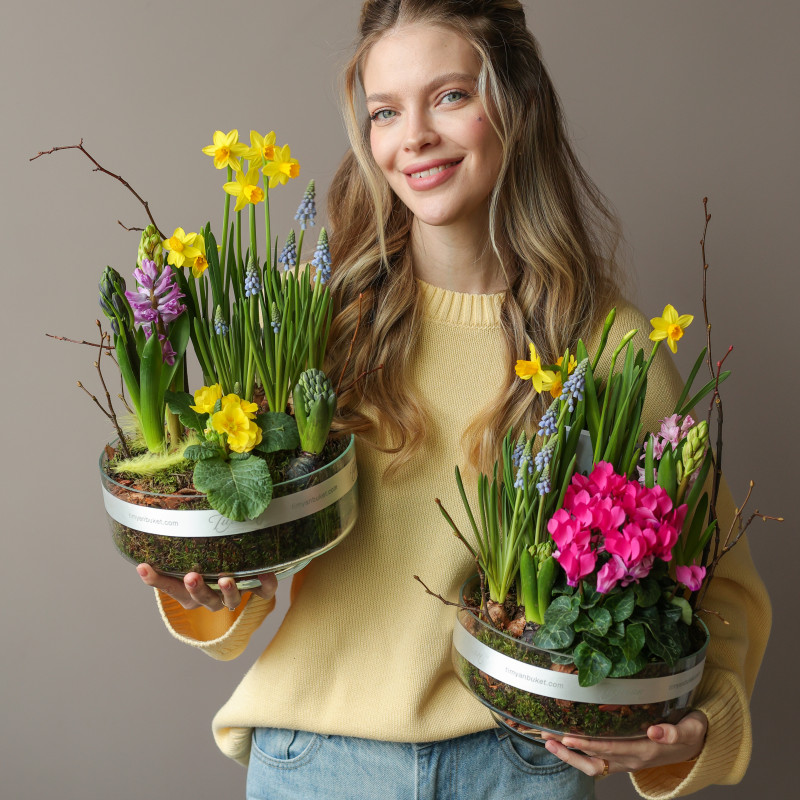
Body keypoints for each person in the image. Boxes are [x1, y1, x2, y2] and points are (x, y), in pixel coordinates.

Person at [137, 2, 771, 798]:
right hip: (319, 762)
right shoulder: (323, 329)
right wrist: (215, 585)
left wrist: (694, 723)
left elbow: (721, 585)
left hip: (520, 767)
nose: (415, 139)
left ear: (516, 104)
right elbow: (255, 553)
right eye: (385, 112)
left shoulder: (610, 349)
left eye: (449, 97)